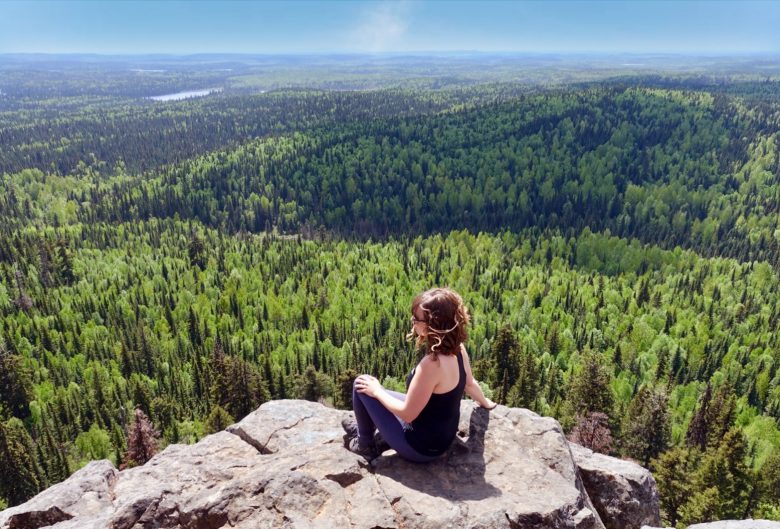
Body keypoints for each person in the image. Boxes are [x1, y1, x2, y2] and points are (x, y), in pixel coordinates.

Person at [343, 287, 497, 462]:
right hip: (442, 437)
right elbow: (469, 383)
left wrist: (377, 391)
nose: (412, 321)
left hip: (420, 447)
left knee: (361, 385)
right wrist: (486, 403)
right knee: (370, 387)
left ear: (434, 324)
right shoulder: (458, 350)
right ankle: (371, 427)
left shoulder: (432, 365)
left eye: (417, 319)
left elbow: (408, 414)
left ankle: (365, 443)